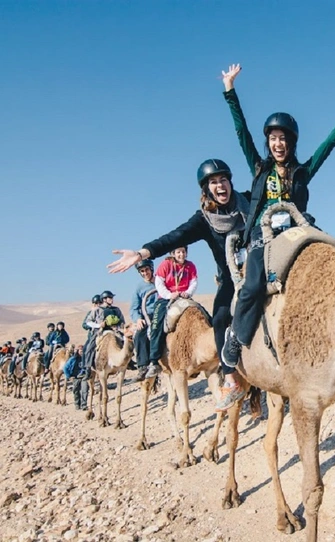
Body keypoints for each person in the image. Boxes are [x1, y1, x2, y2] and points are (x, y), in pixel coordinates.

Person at [216, 63, 335, 410]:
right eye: (273, 138)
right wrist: (230, 92)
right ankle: (236, 342)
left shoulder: (302, 172)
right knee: (253, 287)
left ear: (291, 142)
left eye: (283, 138)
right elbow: (241, 134)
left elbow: (329, 145)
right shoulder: (259, 167)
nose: (278, 143)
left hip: (299, 229)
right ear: (268, 142)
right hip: (262, 235)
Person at [107, 157, 251, 410]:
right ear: (206, 189)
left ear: (230, 182)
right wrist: (142, 253)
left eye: (223, 180)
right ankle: (230, 378)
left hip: (258, 267)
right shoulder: (204, 220)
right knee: (218, 319)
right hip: (230, 276)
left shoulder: (249, 202)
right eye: (213, 182)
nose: (220, 186)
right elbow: (175, 237)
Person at [143, 246, 198, 379]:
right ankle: (154, 362)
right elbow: (159, 283)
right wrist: (169, 295)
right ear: (173, 253)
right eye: (178, 252)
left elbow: (193, 282)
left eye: (183, 251)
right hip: (166, 298)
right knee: (156, 326)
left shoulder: (190, 266)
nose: (181, 254)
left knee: (206, 318)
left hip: (184, 297)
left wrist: (188, 292)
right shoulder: (166, 264)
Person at [130, 258, 159, 381]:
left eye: (146, 269)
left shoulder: (160, 280)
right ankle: (143, 366)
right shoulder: (139, 288)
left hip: (163, 310)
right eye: (142, 271)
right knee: (140, 335)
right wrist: (137, 319)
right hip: (147, 315)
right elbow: (134, 308)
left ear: (151, 269)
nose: (145, 273)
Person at [62, 344, 86, 409]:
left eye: (83, 351)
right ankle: (77, 404)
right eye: (80, 351)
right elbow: (65, 368)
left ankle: (84, 405)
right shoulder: (73, 359)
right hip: (75, 377)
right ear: (78, 351)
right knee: (76, 391)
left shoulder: (86, 358)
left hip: (84, 376)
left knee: (84, 390)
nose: (82, 352)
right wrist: (69, 376)